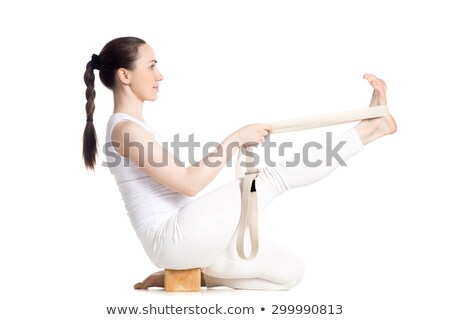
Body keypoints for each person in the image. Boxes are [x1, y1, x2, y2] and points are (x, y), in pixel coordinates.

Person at [82, 36, 397, 290]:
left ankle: (201, 275)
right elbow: (190, 183)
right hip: (173, 238)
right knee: (269, 179)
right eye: (151, 66)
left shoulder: (135, 127)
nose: (160, 74)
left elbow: (184, 180)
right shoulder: (125, 130)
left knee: (290, 273)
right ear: (125, 75)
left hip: (189, 235)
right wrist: (235, 138)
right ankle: (368, 131)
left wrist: (237, 140)